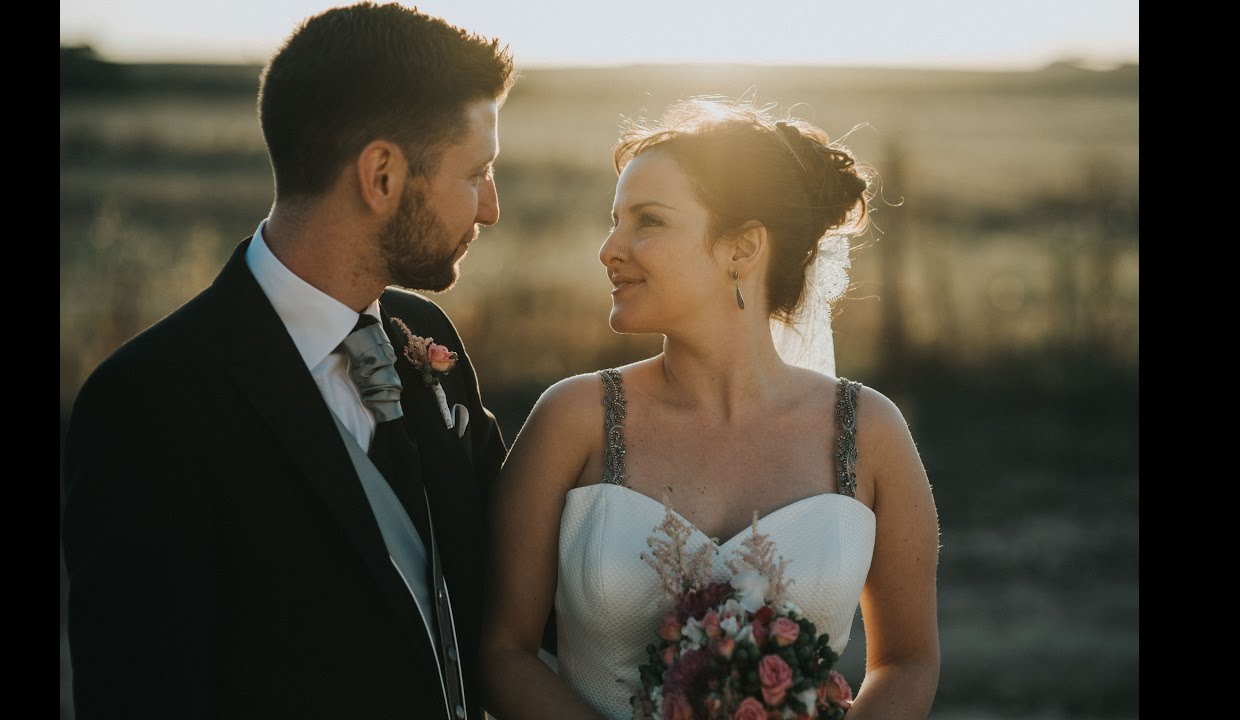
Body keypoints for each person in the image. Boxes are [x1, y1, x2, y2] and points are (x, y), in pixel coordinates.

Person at [60, 4, 513, 718]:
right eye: (477, 172)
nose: (489, 208)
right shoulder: (150, 404)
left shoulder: (429, 340)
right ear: (382, 175)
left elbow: (513, 571)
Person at [480, 97, 940, 719]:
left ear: (742, 249)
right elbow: (502, 652)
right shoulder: (572, 420)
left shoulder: (868, 432)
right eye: (614, 219)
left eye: (648, 221)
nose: (609, 249)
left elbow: (907, 661)